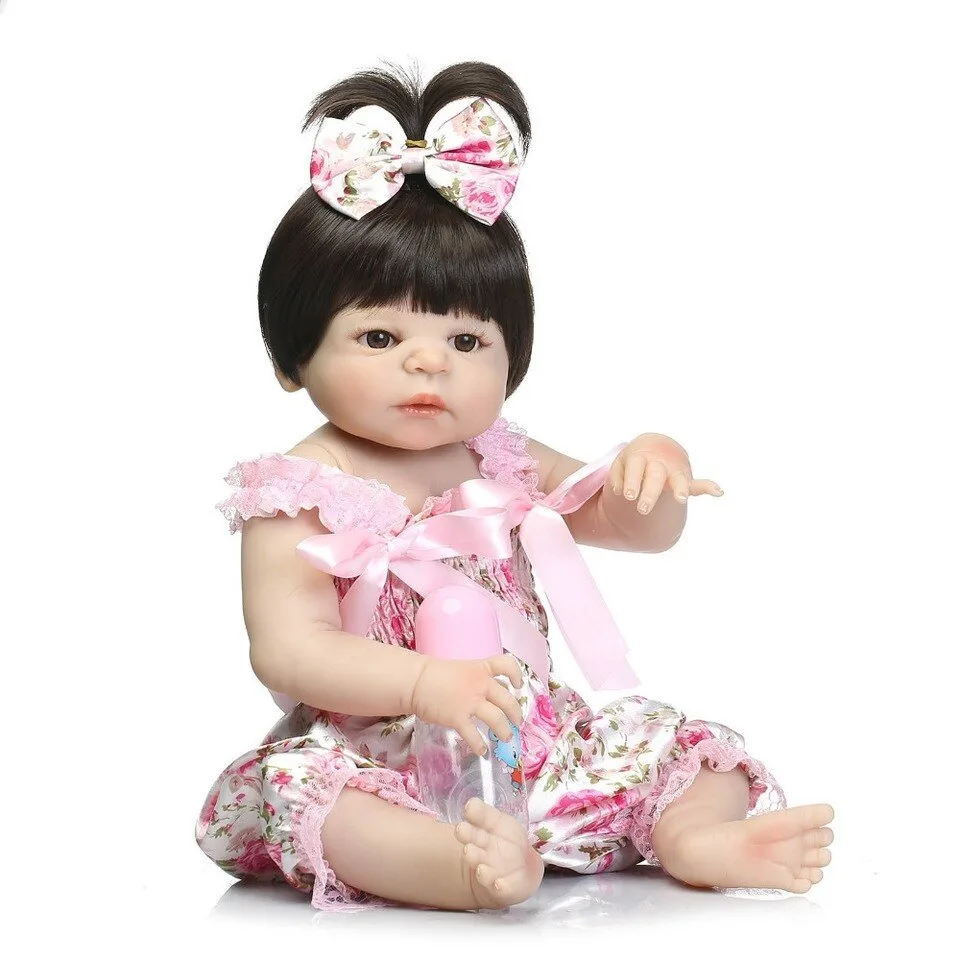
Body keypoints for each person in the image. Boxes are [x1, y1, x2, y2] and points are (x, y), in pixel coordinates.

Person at [195, 60, 834, 913]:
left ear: (511, 359)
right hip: (377, 752)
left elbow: (630, 527)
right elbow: (289, 650)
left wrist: (651, 467)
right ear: (292, 355)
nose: (429, 362)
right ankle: (450, 864)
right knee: (310, 794)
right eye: (381, 337)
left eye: (467, 342)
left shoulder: (499, 457)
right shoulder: (299, 491)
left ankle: (693, 835)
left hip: (525, 741)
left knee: (678, 750)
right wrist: (423, 687)